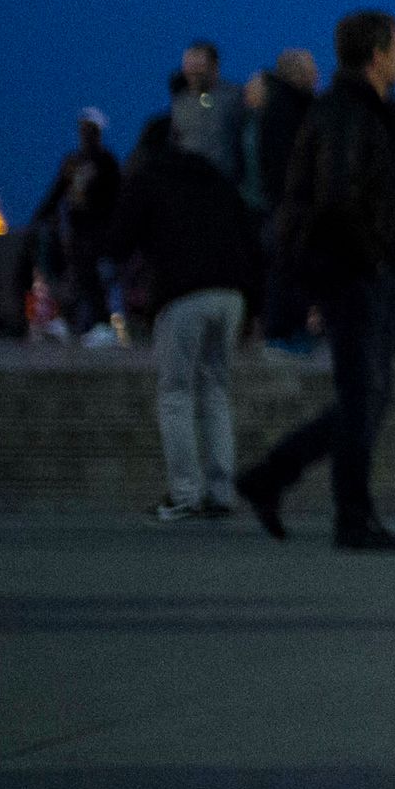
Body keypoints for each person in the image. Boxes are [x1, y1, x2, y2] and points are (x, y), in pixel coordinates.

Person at [236, 10, 395, 547]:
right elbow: (337, 198)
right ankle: (344, 513)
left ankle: (284, 484)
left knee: (365, 395)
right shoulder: (346, 113)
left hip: (359, 268)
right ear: (377, 54)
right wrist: (373, 256)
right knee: (365, 394)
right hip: (352, 270)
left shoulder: (370, 112)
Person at [107, 114, 258, 521]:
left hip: (182, 292)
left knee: (175, 392)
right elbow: (249, 236)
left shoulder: (148, 178)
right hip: (231, 292)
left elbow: (118, 240)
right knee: (215, 390)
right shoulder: (215, 178)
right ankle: (222, 492)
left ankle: (184, 492)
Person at [243, 50, 321, 349]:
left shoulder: (282, 106)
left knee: (285, 264)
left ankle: (284, 329)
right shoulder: (288, 108)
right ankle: (284, 331)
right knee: (288, 265)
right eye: (311, 69)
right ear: (296, 73)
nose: (317, 76)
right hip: (287, 203)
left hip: (281, 202)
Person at [33, 110, 128, 343]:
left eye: (90, 129)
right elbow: (58, 191)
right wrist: (41, 215)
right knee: (75, 275)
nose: (85, 134)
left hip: (97, 228)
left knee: (90, 276)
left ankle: (101, 324)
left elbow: (117, 196)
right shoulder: (72, 161)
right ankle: (68, 322)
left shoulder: (106, 161)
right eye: (82, 129)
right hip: (76, 228)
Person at [165, 41, 238, 175]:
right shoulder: (180, 103)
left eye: (199, 66)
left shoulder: (233, 98)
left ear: (214, 66)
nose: (193, 71)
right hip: (188, 181)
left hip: (223, 181)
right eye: (189, 65)